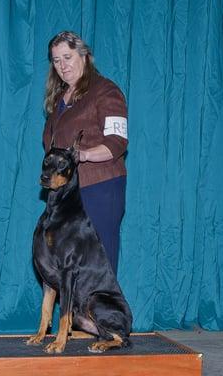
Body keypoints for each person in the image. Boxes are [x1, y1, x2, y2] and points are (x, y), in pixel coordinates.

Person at [42, 31, 128, 275]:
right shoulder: (59, 98)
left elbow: (117, 143)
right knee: (67, 263)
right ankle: (75, 314)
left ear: (85, 56)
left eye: (67, 57)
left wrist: (84, 155)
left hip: (100, 187)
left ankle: (101, 314)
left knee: (97, 260)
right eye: (56, 60)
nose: (62, 65)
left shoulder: (106, 91)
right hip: (67, 192)